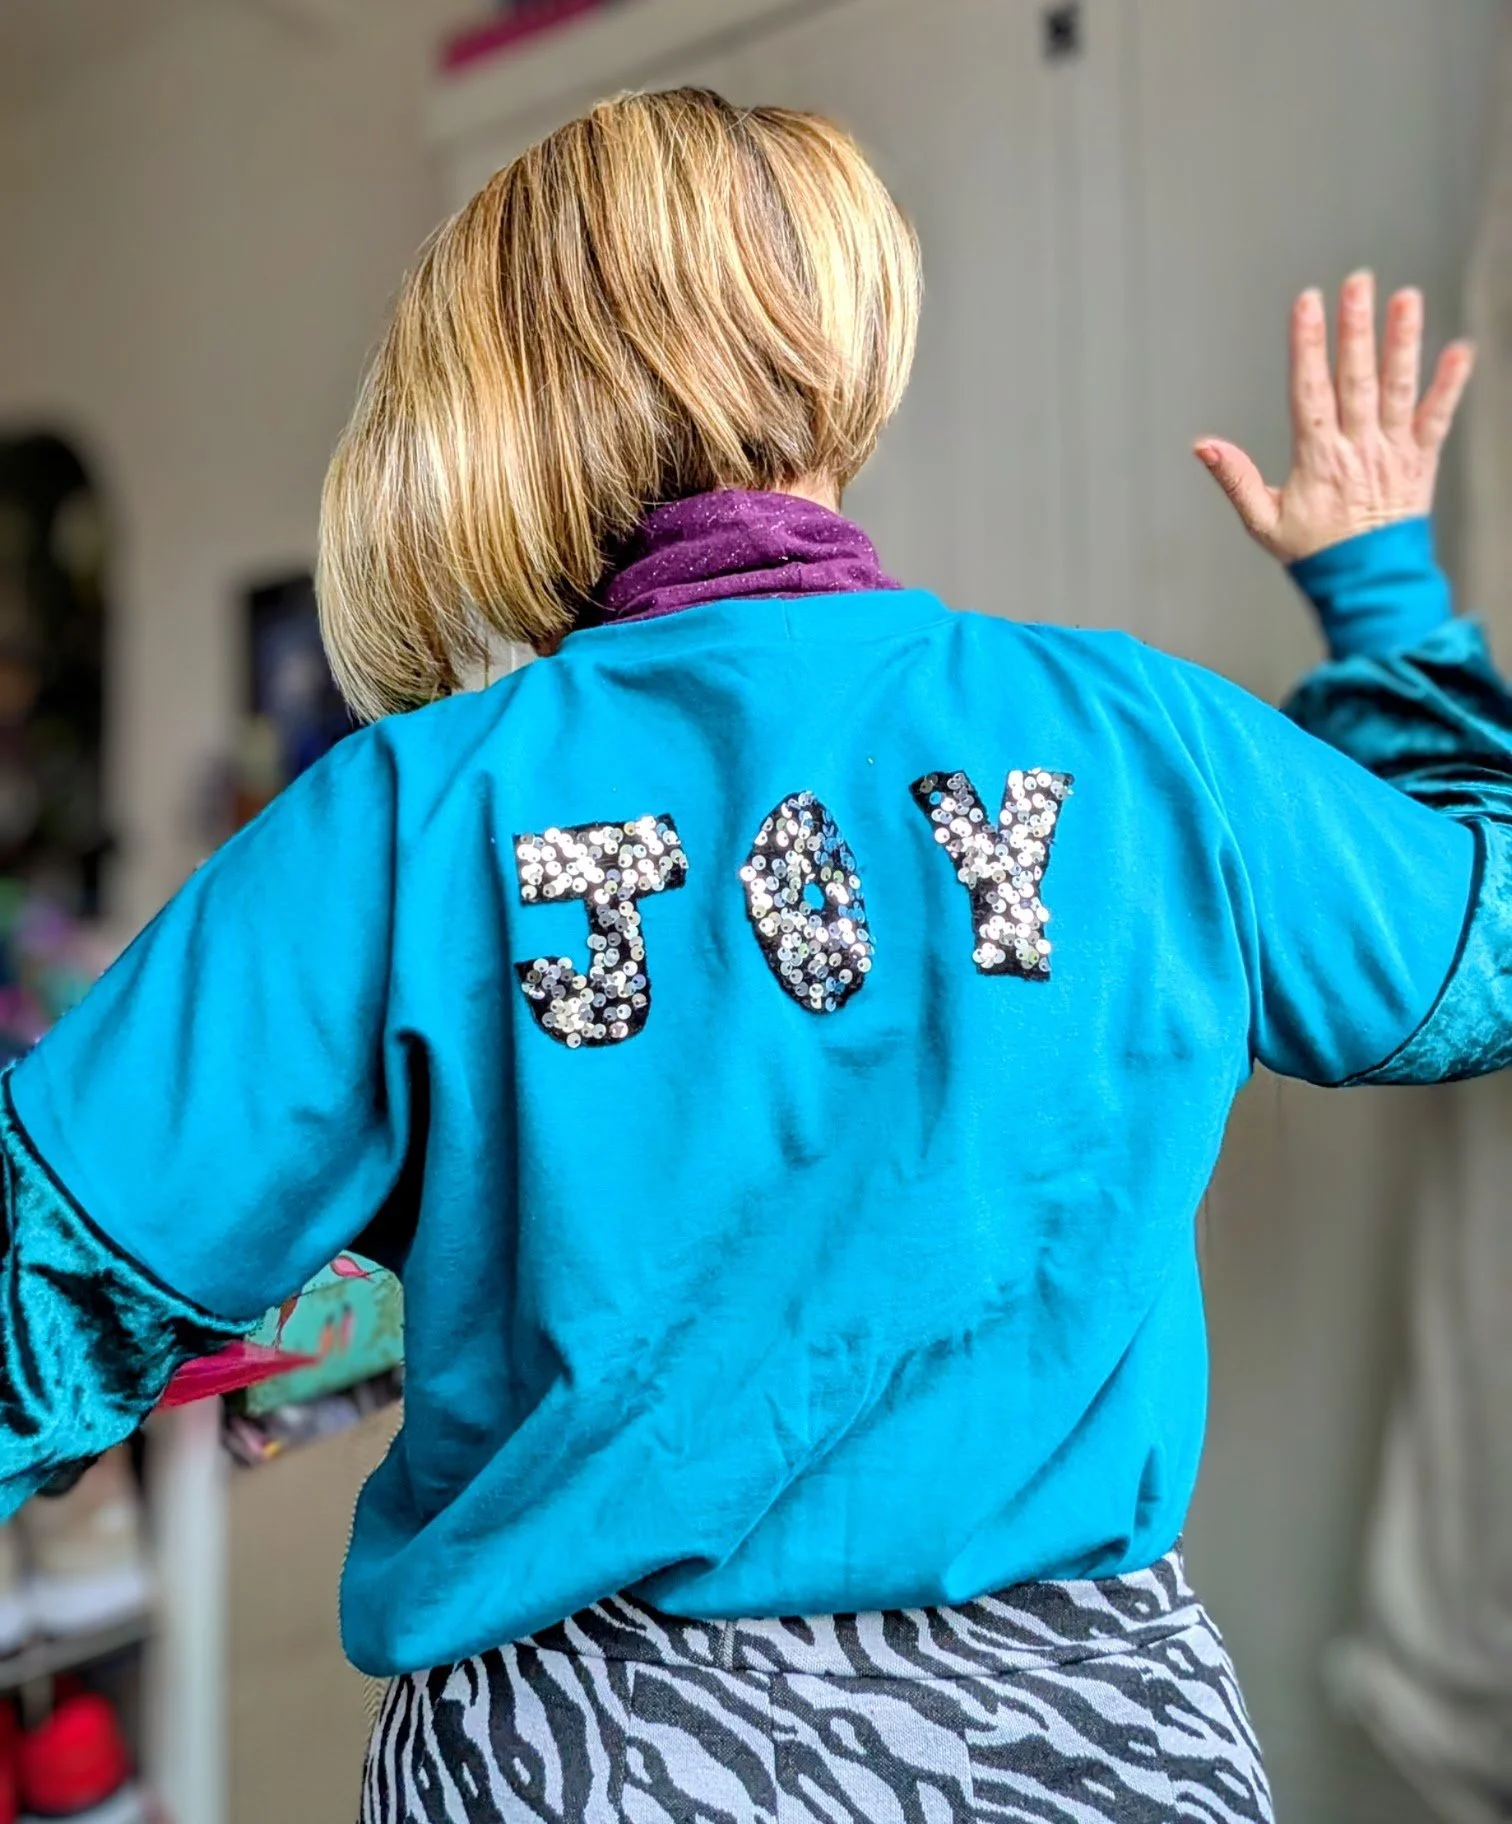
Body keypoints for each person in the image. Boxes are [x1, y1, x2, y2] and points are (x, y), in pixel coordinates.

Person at [0, 87, 1506, 1824]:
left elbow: (39, 1292)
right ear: (851, 348)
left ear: (507, 389)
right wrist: (1381, 590)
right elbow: (1483, 953)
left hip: (591, 1768)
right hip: (1092, 1765)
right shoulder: (1140, 737)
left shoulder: (410, 817)